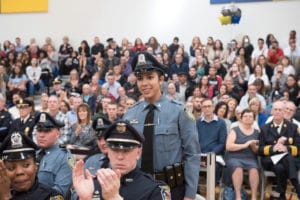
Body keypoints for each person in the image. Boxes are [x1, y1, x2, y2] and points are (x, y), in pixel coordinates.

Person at [123, 52, 200, 200]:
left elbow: (192, 154)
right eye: (140, 79)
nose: (144, 83)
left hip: (171, 189)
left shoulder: (179, 111)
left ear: (161, 79)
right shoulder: (130, 115)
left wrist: (190, 195)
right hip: (137, 188)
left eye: (150, 77)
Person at [72, 120, 171, 200]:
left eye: (126, 151)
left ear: (138, 153)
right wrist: (84, 198)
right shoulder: (94, 185)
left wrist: (114, 198)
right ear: (108, 152)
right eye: (115, 150)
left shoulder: (153, 190)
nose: (120, 157)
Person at [0, 132, 64, 200]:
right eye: (11, 168)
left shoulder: (51, 196)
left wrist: (6, 197)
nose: (19, 172)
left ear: (36, 167)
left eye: (26, 165)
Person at [259, 101, 300, 199]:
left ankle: (280, 195)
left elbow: (299, 147)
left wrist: (287, 148)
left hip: (285, 162)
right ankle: (296, 184)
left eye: (280, 110)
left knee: (281, 167)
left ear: (284, 112)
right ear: (272, 111)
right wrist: (273, 148)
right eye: (275, 109)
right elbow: (260, 150)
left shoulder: (293, 127)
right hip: (271, 160)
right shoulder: (264, 128)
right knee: (287, 159)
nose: (277, 112)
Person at [35, 112, 73, 197]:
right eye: (39, 130)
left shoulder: (66, 157)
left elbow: (59, 193)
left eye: (47, 131)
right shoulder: (34, 154)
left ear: (58, 133)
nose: (41, 135)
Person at [224, 109, 260, 200]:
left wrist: (253, 147)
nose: (248, 118)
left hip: (250, 157)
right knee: (238, 167)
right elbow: (228, 146)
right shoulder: (235, 130)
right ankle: (238, 196)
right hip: (234, 157)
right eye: (245, 116)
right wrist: (245, 145)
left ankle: (254, 196)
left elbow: (257, 151)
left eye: (250, 116)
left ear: (254, 119)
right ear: (241, 118)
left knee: (254, 169)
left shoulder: (257, 132)